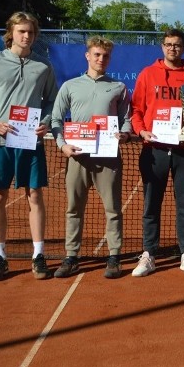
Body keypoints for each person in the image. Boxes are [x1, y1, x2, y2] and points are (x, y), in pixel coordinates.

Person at [0, 11, 58, 282]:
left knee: (35, 196)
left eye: (30, 32)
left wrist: (47, 121)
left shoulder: (43, 66)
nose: (26, 36)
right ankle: (0, 257)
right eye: (21, 31)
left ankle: (38, 255)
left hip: (30, 141)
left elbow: (52, 100)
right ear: (11, 33)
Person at [50, 36, 131, 279]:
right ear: (87, 55)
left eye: (105, 56)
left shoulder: (118, 87)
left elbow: (127, 119)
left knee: (113, 209)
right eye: (96, 55)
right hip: (77, 157)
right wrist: (63, 145)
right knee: (74, 209)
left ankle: (114, 256)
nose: (101, 59)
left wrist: (125, 134)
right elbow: (55, 120)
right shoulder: (70, 86)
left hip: (108, 157)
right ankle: (71, 256)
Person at [130, 29, 184, 277]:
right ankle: (149, 254)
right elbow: (137, 110)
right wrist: (142, 132)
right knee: (151, 204)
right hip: (155, 150)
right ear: (162, 46)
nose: (172, 48)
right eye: (168, 44)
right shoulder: (147, 74)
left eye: (177, 45)